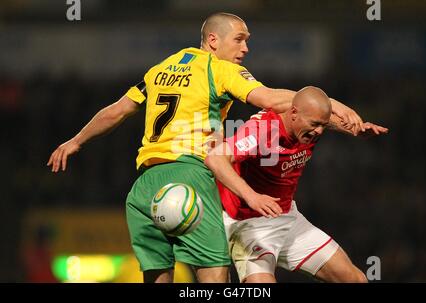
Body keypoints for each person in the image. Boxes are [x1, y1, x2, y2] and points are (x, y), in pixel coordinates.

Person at [47, 12, 364, 283]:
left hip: (144, 187)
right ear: (213, 41)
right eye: (239, 40)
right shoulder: (219, 68)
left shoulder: (161, 70)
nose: (245, 48)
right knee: (215, 278)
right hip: (190, 177)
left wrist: (75, 140)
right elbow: (269, 100)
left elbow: (116, 111)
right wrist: (328, 102)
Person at [204, 86, 389, 283]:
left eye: (322, 125)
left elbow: (323, 120)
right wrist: (252, 196)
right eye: (314, 124)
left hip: (288, 219)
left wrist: (355, 129)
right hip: (250, 225)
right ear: (293, 113)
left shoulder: (308, 125)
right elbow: (215, 159)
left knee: (356, 280)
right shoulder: (263, 131)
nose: (318, 131)